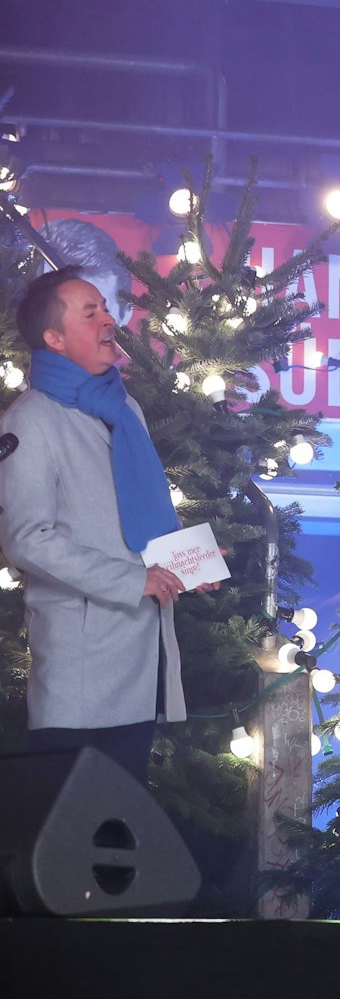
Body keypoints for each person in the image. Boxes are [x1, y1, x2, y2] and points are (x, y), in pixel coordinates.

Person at [0, 269, 210, 783]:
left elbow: (141, 505)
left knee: (124, 836)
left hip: (140, 653)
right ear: (53, 339)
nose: (107, 320)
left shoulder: (124, 406)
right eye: (88, 312)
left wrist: (189, 562)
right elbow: (26, 538)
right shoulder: (31, 420)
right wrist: (130, 580)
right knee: (77, 841)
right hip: (83, 670)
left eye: (104, 307)